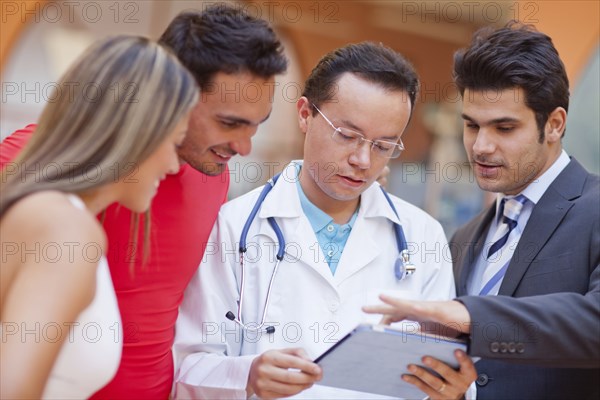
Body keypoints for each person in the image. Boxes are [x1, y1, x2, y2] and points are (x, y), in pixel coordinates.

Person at [0, 5, 288, 399]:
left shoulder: (213, 175)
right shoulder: (32, 166)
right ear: (170, 94)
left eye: (258, 124)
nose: (243, 146)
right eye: (230, 123)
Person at [173, 41, 477, 400]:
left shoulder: (421, 235)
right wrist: (247, 375)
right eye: (347, 136)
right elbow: (186, 367)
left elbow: (439, 369)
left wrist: (454, 391)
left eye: (383, 145)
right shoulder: (233, 227)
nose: (362, 159)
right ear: (305, 114)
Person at [364, 22, 600, 399]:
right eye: (472, 126)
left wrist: (472, 316)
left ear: (554, 125)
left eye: (504, 128)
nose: (480, 146)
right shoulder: (466, 237)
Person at [0, 35, 198, 399]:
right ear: (137, 133)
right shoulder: (68, 231)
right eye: (175, 143)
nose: (173, 165)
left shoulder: (46, 211)